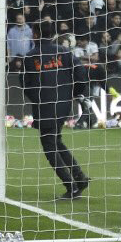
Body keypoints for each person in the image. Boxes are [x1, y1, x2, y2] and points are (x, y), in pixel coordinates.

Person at [22, 33, 89, 199]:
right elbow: (80, 71)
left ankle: (71, 186)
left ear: (35, 35)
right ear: (53, 35)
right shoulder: (64, 52)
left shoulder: (31, 56)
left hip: (44, 106)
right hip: (63, 105)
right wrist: (75, 92)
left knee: (49, 146)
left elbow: (24, 82)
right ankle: (79, 178)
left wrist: (37, 98)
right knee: (56, 141)